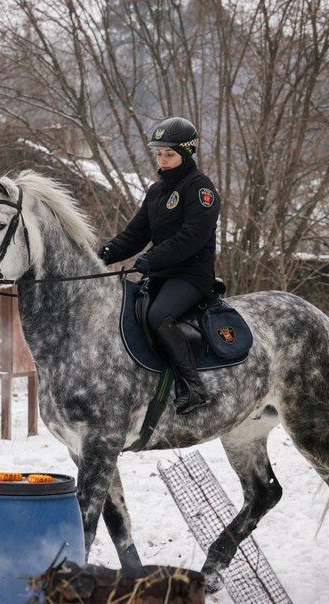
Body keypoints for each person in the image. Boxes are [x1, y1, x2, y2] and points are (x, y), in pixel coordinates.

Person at [100, 116, 220, 414]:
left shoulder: (200, 188)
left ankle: (193, 387)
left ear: (186, 154)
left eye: (169, 154)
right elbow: (135, 234)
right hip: (161, 274)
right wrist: (103, 254)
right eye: (159, 154)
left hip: (191, 275)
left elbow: (192, 237)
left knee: (158, 315)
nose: (162, 160)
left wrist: (152, 259)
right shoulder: (156, 192)